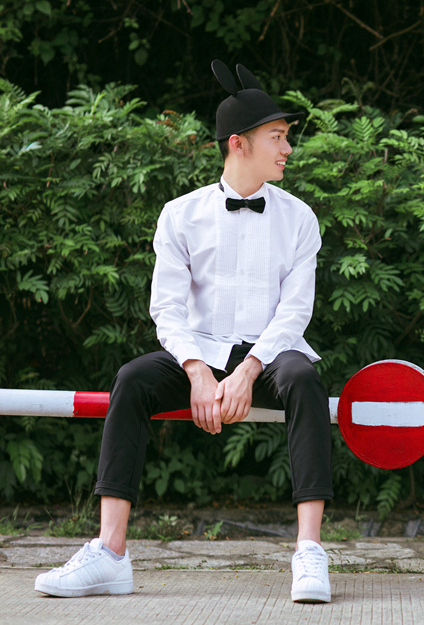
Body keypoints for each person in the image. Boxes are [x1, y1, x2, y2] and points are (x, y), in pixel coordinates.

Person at [34, 60, 334, 603]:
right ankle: (110, 553)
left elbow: (295, 312)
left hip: (270, 356)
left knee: (305, 378)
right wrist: (196, 370)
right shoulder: (180, 214)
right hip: (200, 352)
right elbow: (167, 309)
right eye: (277, 137)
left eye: (286, 137)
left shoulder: (300, 218)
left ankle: (309, 551)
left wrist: (248, 369)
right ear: (238, 144)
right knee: (132, 379)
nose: (288, 149)